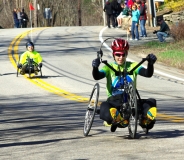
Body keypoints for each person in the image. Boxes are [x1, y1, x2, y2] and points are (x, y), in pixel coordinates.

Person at [92, 38, 157, 133]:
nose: (120, 57)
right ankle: (118, 118)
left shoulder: (133, 66)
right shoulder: (108, 67)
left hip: (131, 101)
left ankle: (145, 120)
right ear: (113, 54)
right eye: (118, 54)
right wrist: (95, 67)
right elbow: (97, 76)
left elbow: (147, 74)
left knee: (151, 102)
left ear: (126, 54)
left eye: (123, 54)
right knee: (104, 105)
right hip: (115, 101)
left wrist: (150, 64)